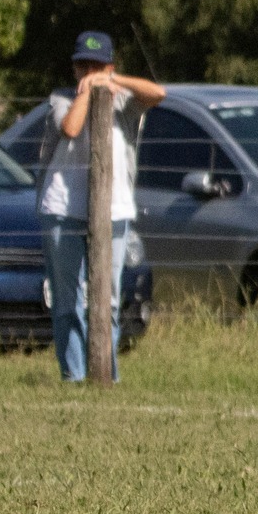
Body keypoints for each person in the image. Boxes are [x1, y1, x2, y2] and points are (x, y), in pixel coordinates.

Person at [38, 32, 164, 381]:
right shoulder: (62, 99)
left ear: (110, 65)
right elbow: (72, 128)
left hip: (115, 211)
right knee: (67, 300)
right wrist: (86, 93)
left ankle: (105, 374)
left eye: (97, 65)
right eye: (82, 65)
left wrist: (114, 83)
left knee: (107, 298)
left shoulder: (123, 100)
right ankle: (74, 375)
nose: (88, 71)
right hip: (62, 208)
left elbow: (159, 94)